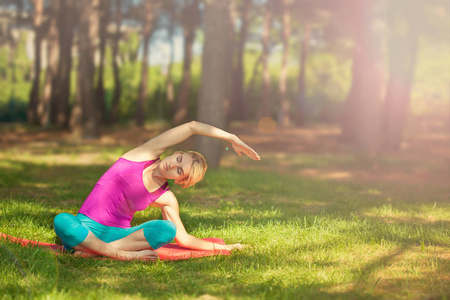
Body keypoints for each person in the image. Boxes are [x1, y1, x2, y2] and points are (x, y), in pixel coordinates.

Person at [53, 121, 260, 261]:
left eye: (180, 171)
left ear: (181, 180)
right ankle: (120, 255)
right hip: (86, 227)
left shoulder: (166, 197)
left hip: (120, 235)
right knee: (62, 220)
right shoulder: (144, 154)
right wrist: (231, 137)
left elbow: (184, 239)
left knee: (167, 229)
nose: (172, 166)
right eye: (178, 159)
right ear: (176, 152)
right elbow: (192, 126)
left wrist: (225, 248)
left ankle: (91, 250)